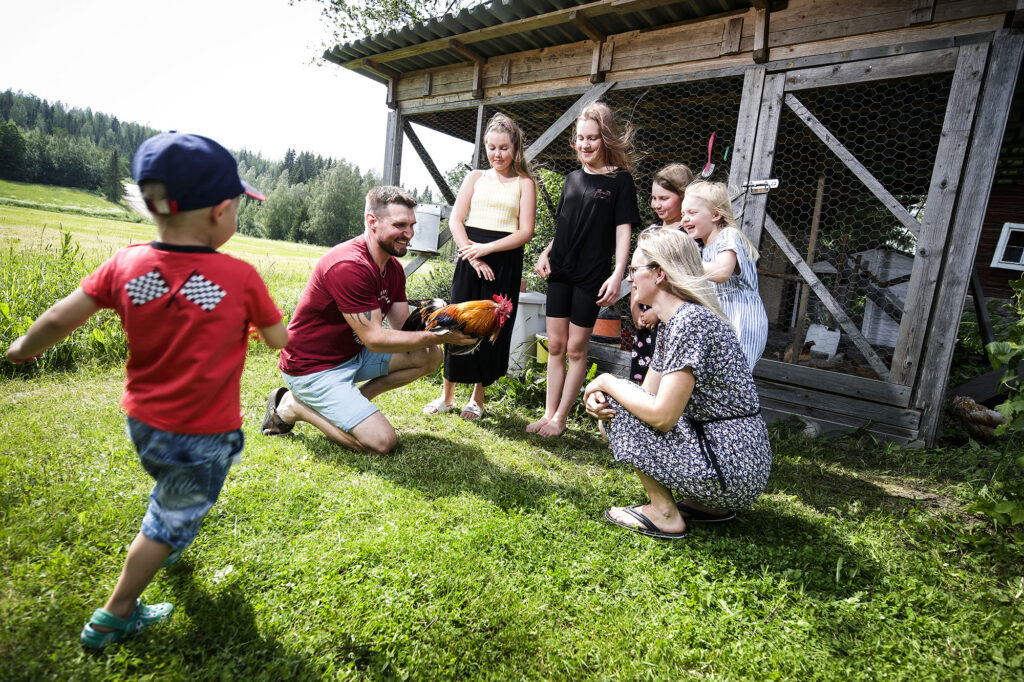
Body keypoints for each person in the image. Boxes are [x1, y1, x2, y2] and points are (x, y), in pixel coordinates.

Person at [5, 132, 289, 648]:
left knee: (171, 493)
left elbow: (58, 317)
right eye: (237, 210)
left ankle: (167, 538)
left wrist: (25, 347)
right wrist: (260, 326)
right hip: (201, 431)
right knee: (168, 518)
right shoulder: (238, 277)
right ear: (220, 211)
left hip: (145, 422)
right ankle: (117, 611)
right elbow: (278, 339)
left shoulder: (127, 265)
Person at [584, 228, 771, 539]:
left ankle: (664, 513)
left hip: (729, 469)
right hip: (738, 465)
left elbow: (661, 415)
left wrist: (604, 381)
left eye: (634, 270)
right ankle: (708, 505)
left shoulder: (689, 322)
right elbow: (647, 395)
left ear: (659, 274)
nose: (630, 279)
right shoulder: (678, 320)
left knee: (619, 404)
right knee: (622, 401)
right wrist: (605, 395)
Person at [261, 186, 474, 453]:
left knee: (430, 355)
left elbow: (403, 330)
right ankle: (294, 407)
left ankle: (353, 402)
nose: (409, 233)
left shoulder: (393, 267)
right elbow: (374, 339)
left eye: (411, 225)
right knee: (381, 443)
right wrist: (439, 336)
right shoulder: (349, 265)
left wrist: (445, 319)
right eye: (400, 225)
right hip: (312, 368)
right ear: (372, 222)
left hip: (352, 356)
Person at [530, 101, 642, 437]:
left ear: (605, 139)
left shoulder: (621, 182)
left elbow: (624, 230)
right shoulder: (572, 179)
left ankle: (561, 419)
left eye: (592, 138)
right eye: (580, 138)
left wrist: (618, 272)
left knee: (577, 349)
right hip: (560, 270)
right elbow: (565, 225)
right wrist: (546, 252)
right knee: (555, 345)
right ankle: (548, 413)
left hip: (591, 274)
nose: (585, 145)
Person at [423, 113, 536, 420]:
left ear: (515, 148)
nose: (497, 154)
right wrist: (473, 256)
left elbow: (525, 232)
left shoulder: (525, 183)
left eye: (503, 148)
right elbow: (456, 220)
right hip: (469, 255)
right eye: (491, 147)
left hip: (504, 259)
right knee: (455, 322)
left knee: (491, 327)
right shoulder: (475, 177)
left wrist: (487, 250)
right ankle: (447, 396)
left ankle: (477, 398)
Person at [681, 180, 768, 369]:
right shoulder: (706, 247)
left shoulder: (728, 236)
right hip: (724, 320)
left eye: (692, 213)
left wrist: (682, 263)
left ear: (716, 215)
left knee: (736, 375)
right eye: (683, 214)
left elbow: (722, 273)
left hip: (741, 319)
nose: (684, 219)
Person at [630, 163, 694, 383]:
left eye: (664, 198)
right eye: (654, 198)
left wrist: (657, 313)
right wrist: (634, 307)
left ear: (684, 198)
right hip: (645, 313)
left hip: (669, 318)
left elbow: (686, 280)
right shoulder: (651, 232)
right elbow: (637, 272)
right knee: (643, 371)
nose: (656, 204)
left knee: (666, 373)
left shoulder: (688, 236)